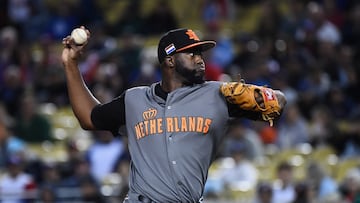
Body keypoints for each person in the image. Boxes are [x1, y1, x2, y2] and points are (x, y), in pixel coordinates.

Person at [61, 26, 286, 203]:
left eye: (200, 53)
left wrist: (262, 96)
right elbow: (89, 117)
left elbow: (278, 102)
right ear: (169, 60)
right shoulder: (135, 100)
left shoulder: (217, 95)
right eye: (191, 54)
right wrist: (71, 64)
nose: (200, 59)